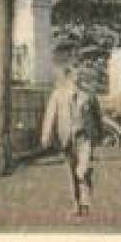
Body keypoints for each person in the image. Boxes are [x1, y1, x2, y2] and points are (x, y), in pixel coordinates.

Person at [40, 65, 104, 216]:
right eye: (75, 75)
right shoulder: (58, 95)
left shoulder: (88, 95)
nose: (78, 78)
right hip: (66, 138)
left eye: (80, 75)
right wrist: (46, 134)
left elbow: (97, 116)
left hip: (84, 138)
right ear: (68, 76)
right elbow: (50, 115)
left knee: (82, 170)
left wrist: (99, 134)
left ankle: (86, 201)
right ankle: (76, 204)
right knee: (72, 173)